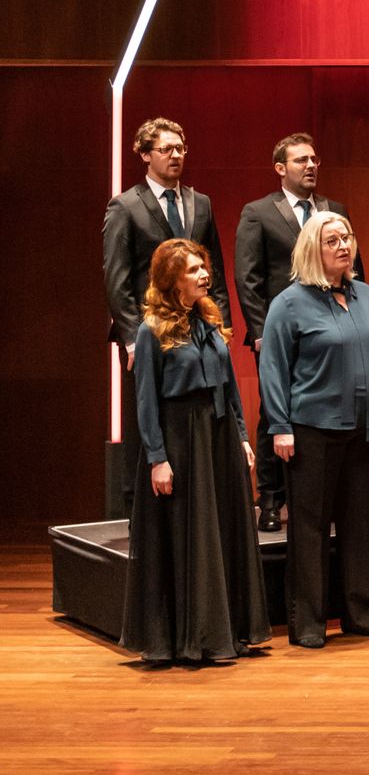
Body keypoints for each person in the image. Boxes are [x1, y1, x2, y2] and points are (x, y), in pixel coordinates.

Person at [120, 238, 269, 663]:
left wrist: (241, 436)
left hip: (219, 435)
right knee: (192, 534)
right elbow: (146, 402)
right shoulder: (151, 332)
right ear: (171, 280)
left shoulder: (207, 320)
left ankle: (227, 630)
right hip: (181, 440)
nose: (205, 274)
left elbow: (229, 385)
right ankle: (190, 638)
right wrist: (157, 458)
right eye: (193, 270)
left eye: (203, 267)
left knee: (221, 531)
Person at [260, 212, 369, 648]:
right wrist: (280, 426)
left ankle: (361, 613)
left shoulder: (365, 295)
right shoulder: (288, 303)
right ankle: (308, 622)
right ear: (312, 249)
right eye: (333, 240)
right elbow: (273, 369)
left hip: (367, 427)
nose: (344, 245)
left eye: (348, 237)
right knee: (310, 527)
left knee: (360, 524)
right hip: (312, 429)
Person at [103, 117, 232, 519]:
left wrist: (220, 327)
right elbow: (117, 277)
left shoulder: (201, 202)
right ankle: (137, 512)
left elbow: (217, 274)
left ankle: (198, 506)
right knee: (146, 420)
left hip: (197, 331)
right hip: (150, 332)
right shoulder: (125, 205)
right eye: (166, 149)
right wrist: (130, 338)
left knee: (202, 414)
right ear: (145, 154)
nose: (176, 155)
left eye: (181, 148)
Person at [233, 132, 360, 532]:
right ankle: (270, 498)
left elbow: (354, 268)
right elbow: (247, 277)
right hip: (280, 330)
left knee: (326, 412)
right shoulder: (258, 212)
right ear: (280, 168)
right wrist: (258, 331)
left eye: (313, 159)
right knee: (276, 412)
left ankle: (328, 499)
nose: (310, 166)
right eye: (300, 160)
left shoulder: (333, 209)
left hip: (331, 330)